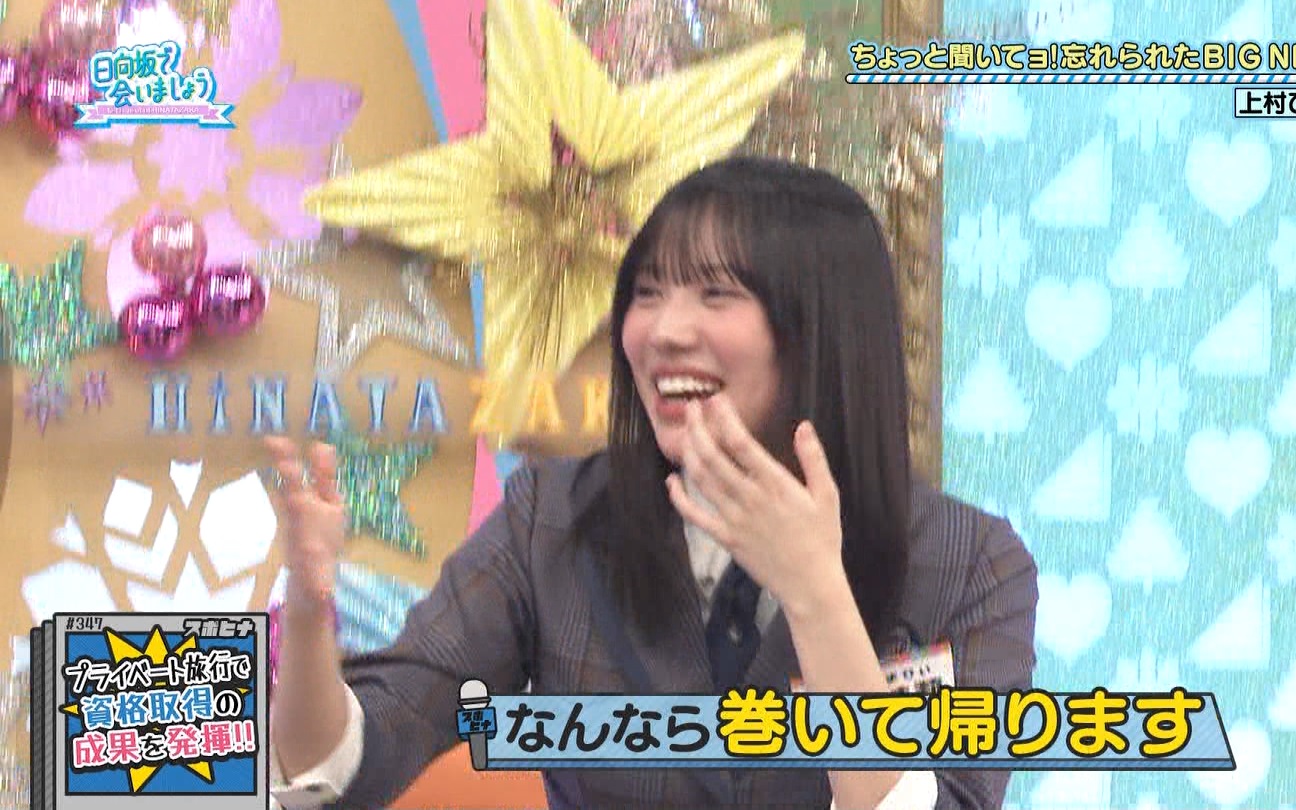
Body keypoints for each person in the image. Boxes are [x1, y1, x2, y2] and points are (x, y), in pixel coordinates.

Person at [265, 156, 1038, 810]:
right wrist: (307, 613)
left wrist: (815, 594)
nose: (663, 332)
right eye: (647, 292)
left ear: (821, 326)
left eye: (716, 294)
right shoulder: (552, 517)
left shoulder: (971, 561)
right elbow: (349, 767)